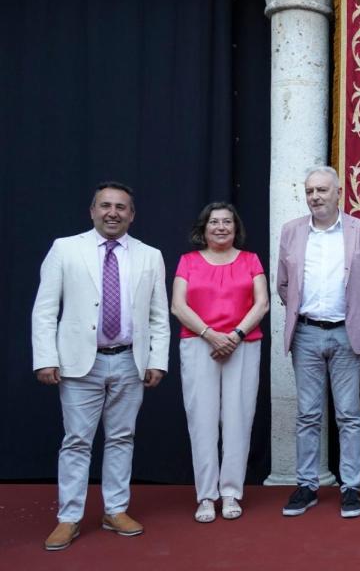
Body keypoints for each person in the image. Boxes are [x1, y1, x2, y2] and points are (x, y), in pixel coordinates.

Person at [32, 181, 170, 550]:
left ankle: (115, 510)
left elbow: (159, 316)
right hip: (79, 365)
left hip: (129, 361)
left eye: (121, 207)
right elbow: (45, 309)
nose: (113, 212)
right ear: (92, 211)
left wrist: (157, 360)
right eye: (105, 205)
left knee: (123, 438)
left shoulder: (150, 255)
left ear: (132, 215)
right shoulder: (65, 249)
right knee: (76, 441)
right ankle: (69, 517)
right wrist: (45, 358)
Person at [277, 166, 360, 519]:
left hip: (346, 333)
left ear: (339, 192)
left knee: (350, 415)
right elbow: (284, 284)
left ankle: (351, 487)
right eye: (310, 191)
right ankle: (307, 484)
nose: (315, 196)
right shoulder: (291, 231)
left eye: (322, 190)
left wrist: (355, 314)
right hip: (305, 333)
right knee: (308, 414)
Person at [170, 202, 269, 523]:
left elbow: (262, 303)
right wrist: (210, 334)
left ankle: (230, 493)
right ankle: (206, 496)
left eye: (227, 222)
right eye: (214, 222)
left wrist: (236, 334)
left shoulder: (251, 260)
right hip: (199, 344)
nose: (221, 227)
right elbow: (178, 305)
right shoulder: (187, 262)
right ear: (204, 228)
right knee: (202, 420)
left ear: (235, 228)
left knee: (239, 418)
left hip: (243, 344)